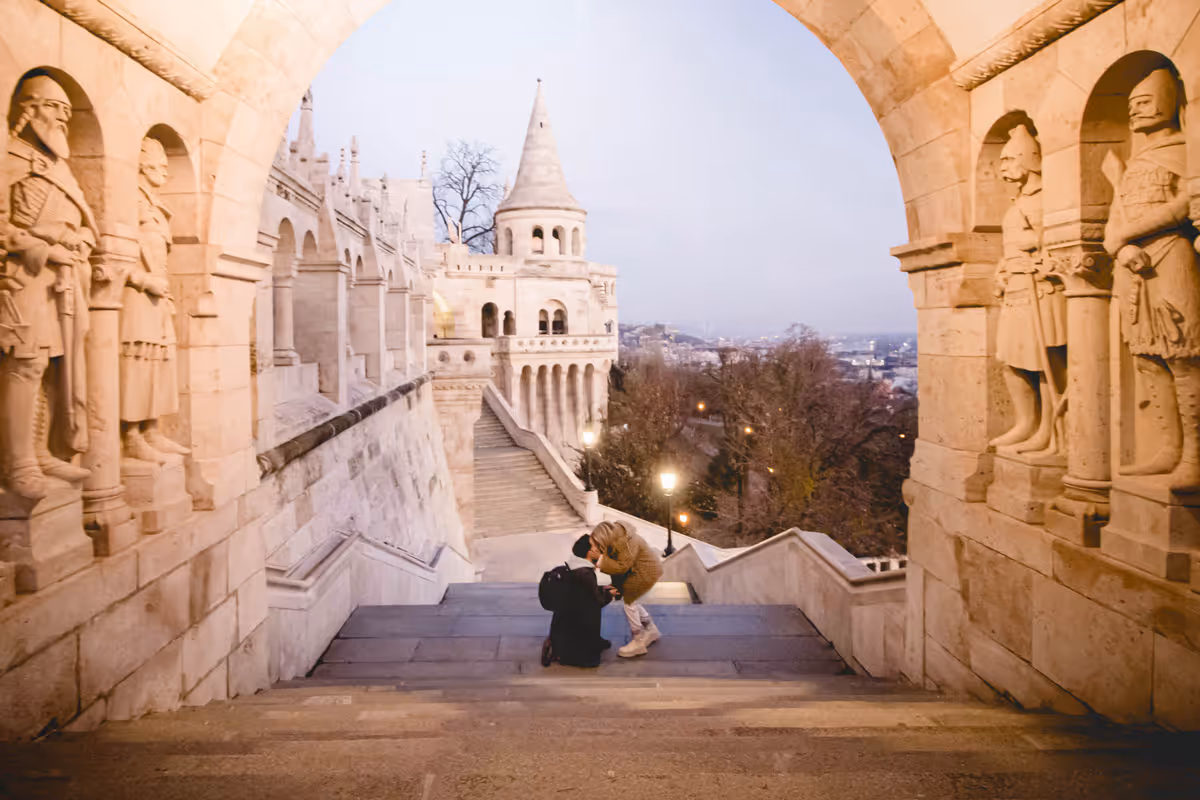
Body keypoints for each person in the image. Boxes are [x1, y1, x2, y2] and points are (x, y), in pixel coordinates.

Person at [573, 520, 663, 657]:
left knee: (629, 602)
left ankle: (638, 641)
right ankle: (651, 629)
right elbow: (617, 567)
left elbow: (622, 567)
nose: (594, 549)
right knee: (632, 600)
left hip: (646, 571)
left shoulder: (626, 542)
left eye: (595, 544)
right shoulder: (614, 541)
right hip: (636, 570)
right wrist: (617, 586)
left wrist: (601, 560)